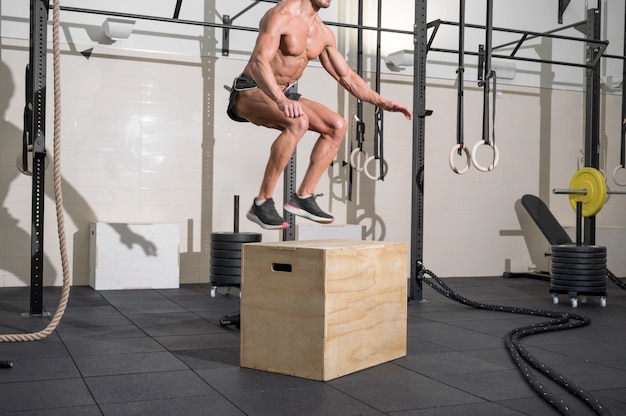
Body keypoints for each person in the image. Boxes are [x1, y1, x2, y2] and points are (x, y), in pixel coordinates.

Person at [227, 0, 413, 230]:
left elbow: (346, 76)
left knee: (337, 125)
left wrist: (382, 101)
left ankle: (304, 196)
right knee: (299, 122)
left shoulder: (323, 33)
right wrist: (280, 99)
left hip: (281, 95)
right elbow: (259, 61)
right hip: (250, 90)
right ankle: (262, 202)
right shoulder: (280, 15)